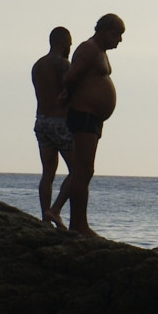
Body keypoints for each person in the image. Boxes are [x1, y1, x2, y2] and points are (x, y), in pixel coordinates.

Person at [48, 13, 124, 233]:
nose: (119, 40)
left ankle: (76, 221)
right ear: (105, 30)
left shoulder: (99, 52)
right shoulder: (88, 49)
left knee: (85, 171)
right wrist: (66, 94)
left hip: (93, 116)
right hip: (84, 114)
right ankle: (78, 224)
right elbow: (71, 76)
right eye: (117, 34)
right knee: (83, 170)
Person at [30, 26, 73, 227]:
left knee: (48, 173)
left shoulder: (37, 65)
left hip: (41, 121)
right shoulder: (62, 64)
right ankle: (55, 210)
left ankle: (45, 217)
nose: (70, 48)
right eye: (69, 44)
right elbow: (69, 91)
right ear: (63, 42)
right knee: (79, 171)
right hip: (60, 122)